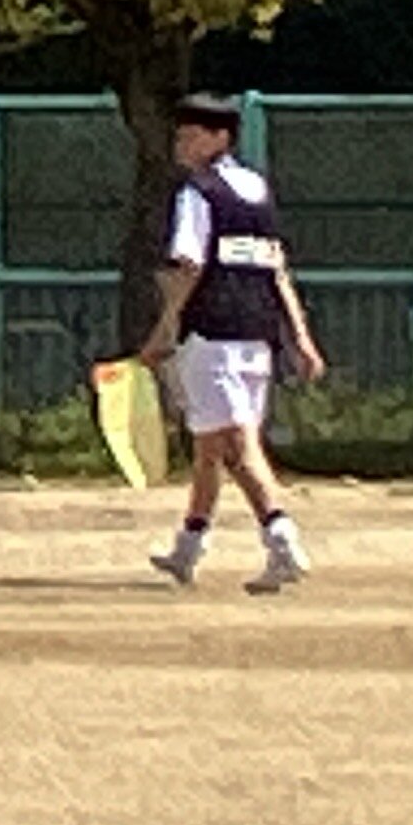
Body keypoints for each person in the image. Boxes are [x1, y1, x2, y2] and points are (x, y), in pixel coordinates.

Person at [139, 93, 327, 594]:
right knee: (208, 448)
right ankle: (187, 549)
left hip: (212, 336)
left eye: (193, 135)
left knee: (238, 449)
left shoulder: (197, 193)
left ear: (221, 138)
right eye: (181, 135)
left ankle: (283, 540)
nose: (183, 144)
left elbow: (189, 267)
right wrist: (300, 337)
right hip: (257, 335)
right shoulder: (257, 190)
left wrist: (161, 334)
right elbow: (277, 270)